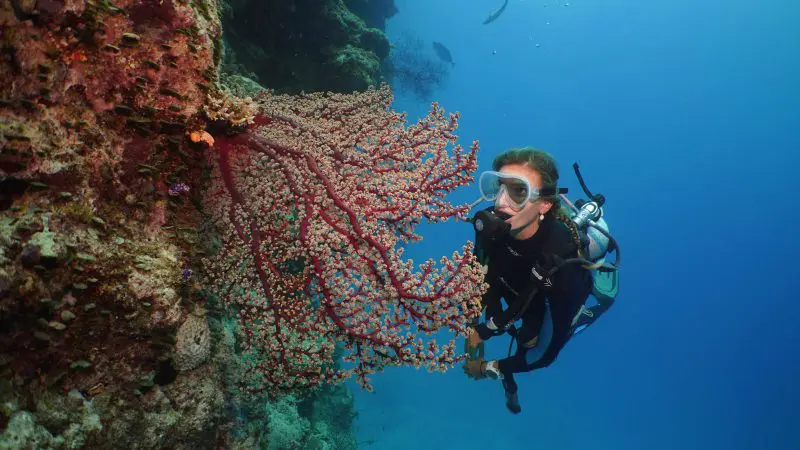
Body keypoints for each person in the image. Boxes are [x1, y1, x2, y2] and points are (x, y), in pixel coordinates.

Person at [462, 147, 597, 414]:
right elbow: (478, 275)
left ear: (544, 204)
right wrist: (473, 324)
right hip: (512, 292)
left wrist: (491, 368)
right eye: (498, 187)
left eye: (518, 192)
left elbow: (542, 358)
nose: (500, 202)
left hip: (549, 300)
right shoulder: (491, 228)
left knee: (530, 341)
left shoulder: (562, 261)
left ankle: (587, 316)